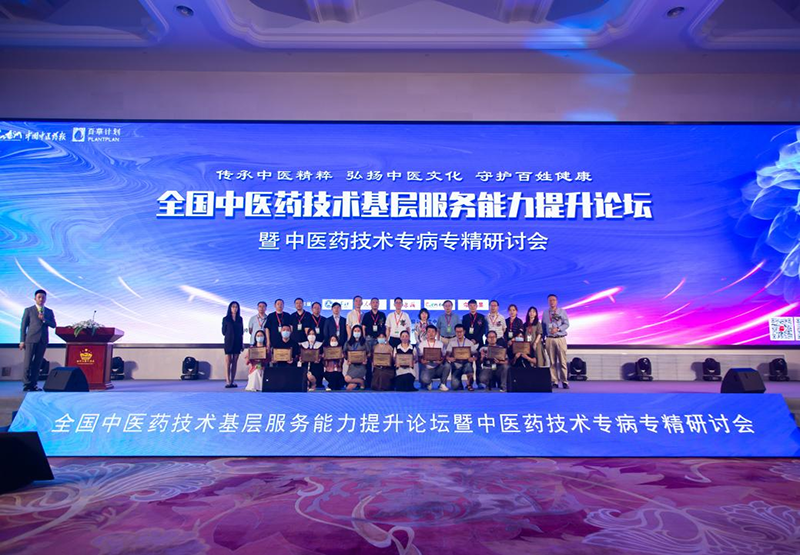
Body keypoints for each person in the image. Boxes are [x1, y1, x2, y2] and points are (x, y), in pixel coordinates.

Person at [19, 289, 56, 392]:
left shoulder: (49, 311)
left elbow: (53, 325)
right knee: (27, 363)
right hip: (30, 339)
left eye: (43, 297)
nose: (41, 299)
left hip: (42, 340)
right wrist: (22, 340)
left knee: (37, 363)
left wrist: (44, 320)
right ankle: (26, 384)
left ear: (45, 299)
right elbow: (23, 326)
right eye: (39, 297)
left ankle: (34, 384)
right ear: (35, 298)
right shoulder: (29, 310)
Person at [543, 294, 570, 389]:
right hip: (549, 339)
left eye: (553, 300)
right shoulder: (545, 313)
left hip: (560, 338)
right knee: (552, 362)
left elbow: (567, 324)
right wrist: (543, 339)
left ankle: (564, 381)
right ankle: (554, 381)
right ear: (548, 302)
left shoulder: (562, 311)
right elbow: (543, 326)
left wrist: (558, 329)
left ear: (557, 301)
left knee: (562, 361)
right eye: (550, 300)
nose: (552, 302)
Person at [417, 324, 450, 391]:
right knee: (424, 379)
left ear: (436, 333)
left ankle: (442, 384)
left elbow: (444, 356)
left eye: (433, 331)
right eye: (429, 332)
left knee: (447, 365)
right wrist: (422, 361)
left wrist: (441, 361)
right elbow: (419, 357)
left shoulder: (440, 344)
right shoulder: (421, 344)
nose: (431, 333)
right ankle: (429, 382)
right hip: (427, 368)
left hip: (438, 368)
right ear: (426, 333)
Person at [445, 324, 477, 391]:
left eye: (460, 332)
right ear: (455, 332)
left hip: (466, 364)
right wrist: (449, 358)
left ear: (464, 332)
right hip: (456, 365)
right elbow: (447, 355)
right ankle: (459, 383)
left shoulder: (469, 343)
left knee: (469, 367)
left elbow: (476, 355)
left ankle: (469, 384)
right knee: (455, 387)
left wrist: (473, 358)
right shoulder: (451, 343)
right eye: (457, 332)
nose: (459, 333)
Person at [222, 301, 244, 388]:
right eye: (233, 307)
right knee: (228, 361)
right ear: (230, 308)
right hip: (228, 342)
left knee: (235, 361)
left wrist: (242, 343)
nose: (235, 308)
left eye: (236, 307)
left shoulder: (240, 319)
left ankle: (232, 381)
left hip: (237, 342)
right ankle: (228, 381)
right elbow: (223, 331)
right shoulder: (226, 319)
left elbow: (241, 332)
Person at [343, 324, 368, 391]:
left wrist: (366, 359)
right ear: (352, 332)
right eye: (355, 331)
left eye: (358, 331)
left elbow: (369, 353)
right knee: (347, 383)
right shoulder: (348, 342)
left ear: (361, 332)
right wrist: (347, 359)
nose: (357, 332)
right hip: (352, 366)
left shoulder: (364, 342)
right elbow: (344, 353)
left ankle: (360, 382)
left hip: (361, 366)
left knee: (348, 386)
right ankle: (361, 382)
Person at [523, 306, 546, 371]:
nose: (532, 313)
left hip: (536, 344)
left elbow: (539, 333)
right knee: (529, 362)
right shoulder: (525, 324)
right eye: (530, 311)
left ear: (536, 314)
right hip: (527, 345)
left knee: (538, 361)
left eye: (533, 312)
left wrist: (535, 343)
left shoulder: (538, 323)